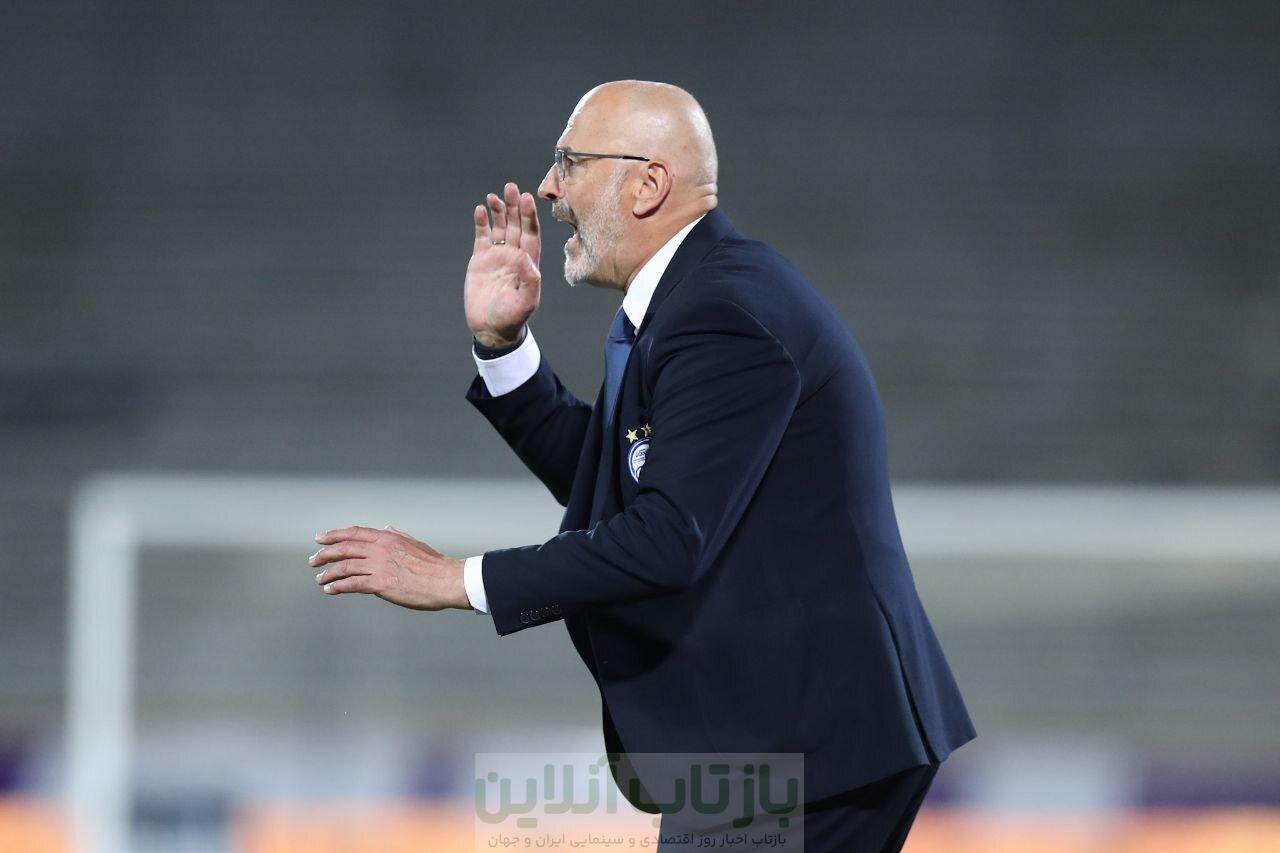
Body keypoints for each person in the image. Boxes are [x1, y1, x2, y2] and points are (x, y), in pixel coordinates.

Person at [309, 80, 975, 851]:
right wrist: (504, 350)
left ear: (648, 184)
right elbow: (623, 488)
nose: (548, 186)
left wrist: (455, 579)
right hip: (783, 740)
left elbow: (665, 535)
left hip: (807, 744)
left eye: (570, 161)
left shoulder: (720, 314)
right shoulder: (696, 297)